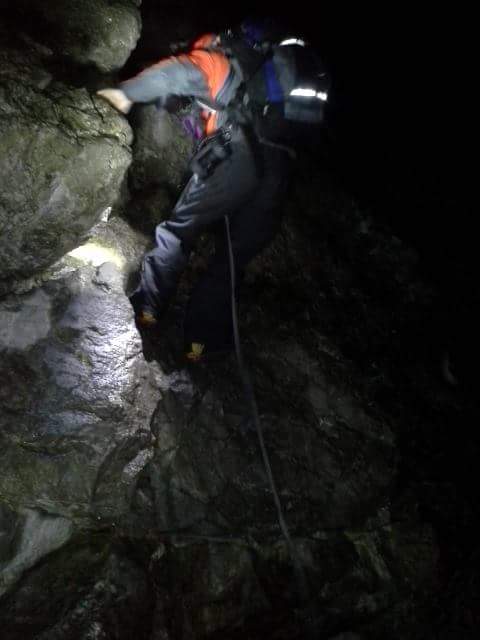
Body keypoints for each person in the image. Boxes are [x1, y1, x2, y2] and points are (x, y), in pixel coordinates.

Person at [97, 29, 295, 361]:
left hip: (238, 160)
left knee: (177, 231)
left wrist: (126, 92)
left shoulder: (217, 60)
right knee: (230, 260)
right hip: (278, 176)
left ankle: (148, 309)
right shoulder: (265, 90)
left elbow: (179, 72)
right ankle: (199, 344)